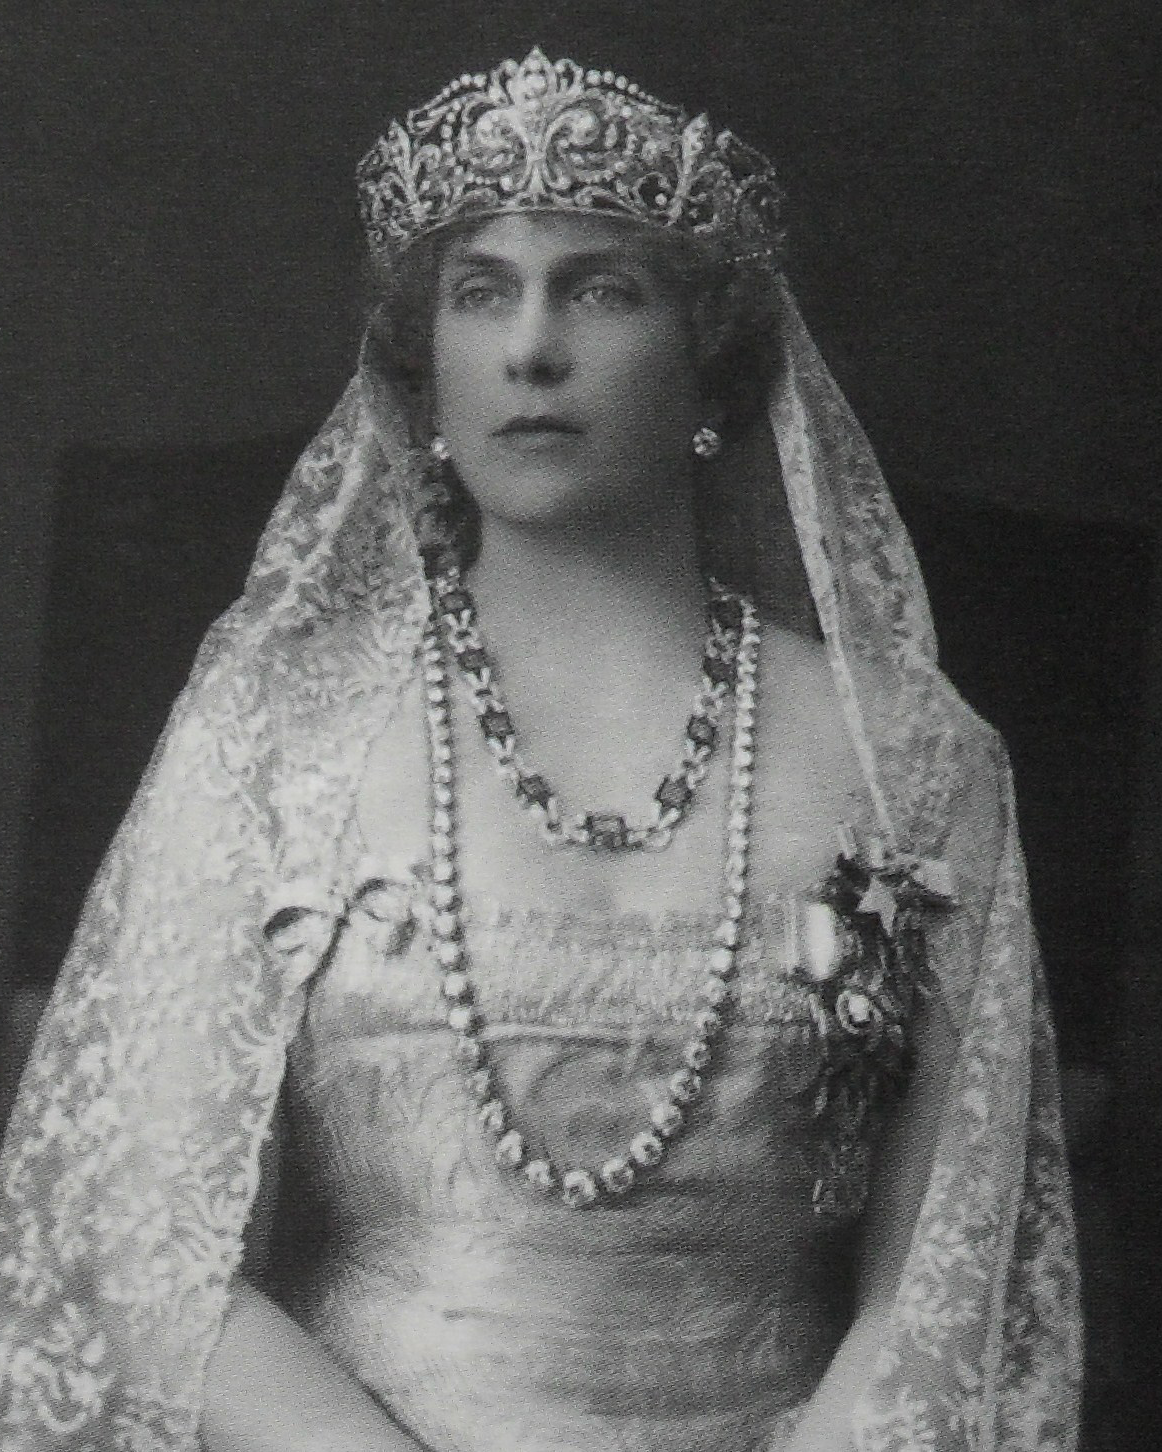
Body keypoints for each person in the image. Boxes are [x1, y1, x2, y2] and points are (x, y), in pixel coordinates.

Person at [0, 47, 1080, 1452]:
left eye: (600, 288)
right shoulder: (276, 734)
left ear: (709, 357)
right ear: (424, 361)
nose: (529, 349)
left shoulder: (912, 759)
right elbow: (140, 1240)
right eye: (480, 291)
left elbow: (940, 1277)